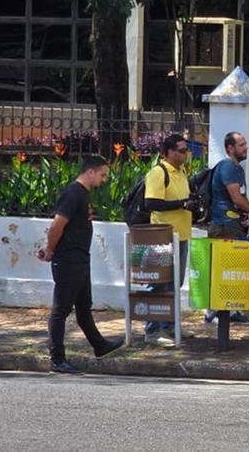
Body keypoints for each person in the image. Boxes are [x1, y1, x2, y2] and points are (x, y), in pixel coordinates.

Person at [40, 156, 123, 374]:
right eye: (103, 174)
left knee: (84, 307)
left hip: (79, 259)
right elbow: (57, 224)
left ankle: (99, 345)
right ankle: (57, 359)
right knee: (61, 310)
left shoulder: (82, 194)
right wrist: (50, 250)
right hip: (69, 260)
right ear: (90, 172)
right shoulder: (74, 193)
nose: (104, 179)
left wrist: (50, 248)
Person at [143, 135, 196, 345]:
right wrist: (182, 205)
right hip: (162, 237)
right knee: (159, 283)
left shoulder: (181, 172)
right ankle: (152, 330)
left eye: (186, 150)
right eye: (181, 151)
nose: (185, 155)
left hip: (181, 236)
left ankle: (170, 326)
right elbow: (151, 203)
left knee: (174, 284)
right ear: (168, 152)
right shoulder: (159, 172)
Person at [206, 131, 249, 325]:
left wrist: (247, 214)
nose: (246, 147)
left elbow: (240, 198)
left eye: (245, 144)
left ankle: (230, 310)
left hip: (233, 224)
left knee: (231, 269)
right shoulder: (227, 167)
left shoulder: (237, 168)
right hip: (223, 225)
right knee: (221, 269)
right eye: (241, 145)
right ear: (230, 148)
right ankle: (215, 311)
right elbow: (236, 198)